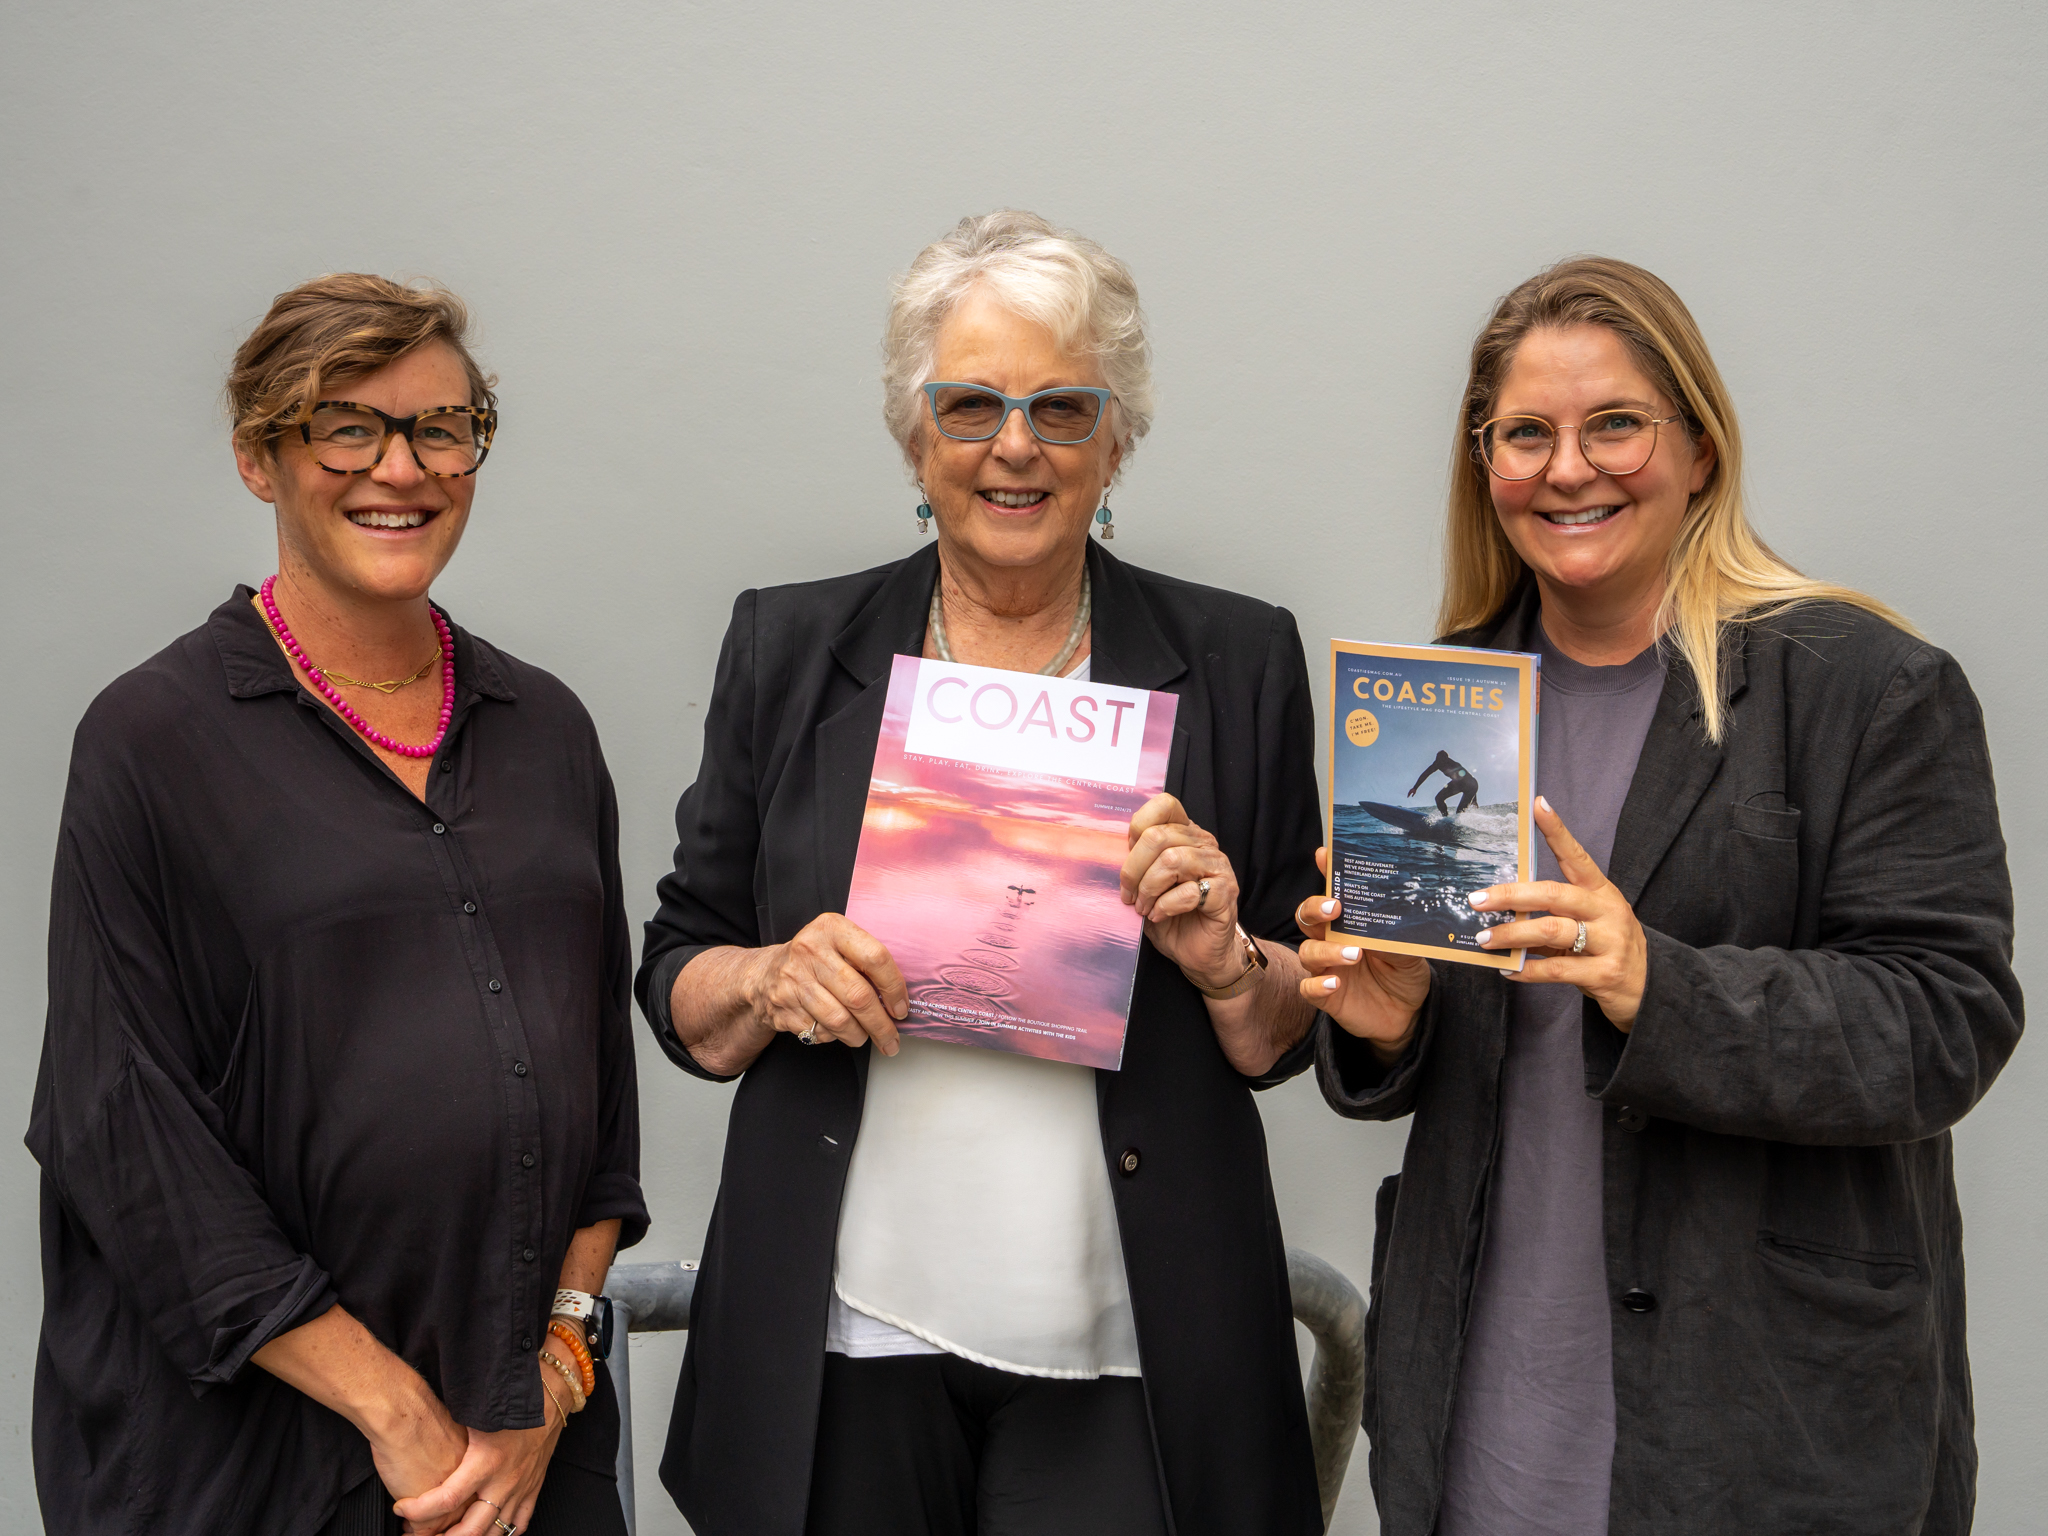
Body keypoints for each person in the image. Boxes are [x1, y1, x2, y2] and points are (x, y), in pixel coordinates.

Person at [1299, 257, 2021, 1535]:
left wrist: (1656, 984)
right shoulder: (1438, 700)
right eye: (1524, 433)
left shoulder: (1863, 687)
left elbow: (1944, 1021)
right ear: (1484, 463)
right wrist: (1385, 1023)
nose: (1567, 469)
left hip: (1760, 1414)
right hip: (1481, 1404)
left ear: (1698, 447)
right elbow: (1446, 1060)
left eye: (1615, 425)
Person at [636, 211, 1331, 1536]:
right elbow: (680, 979)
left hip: (1128, 1342)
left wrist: (1228, 962)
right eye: (971, 406)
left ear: (1116, 440)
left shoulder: (1237, 662)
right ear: (916, 436)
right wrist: (771, 978)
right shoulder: (789, 649)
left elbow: (1281, 1034)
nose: (1015, 445)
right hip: (842, 1334)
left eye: (1061, 407)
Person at [29, 274, 649, 1536]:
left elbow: (600, 1100)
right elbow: (121, 1126)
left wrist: (554, 1369)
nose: (400, 470)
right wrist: (396, 1414)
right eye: (346, 428)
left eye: (439, 428)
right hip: (251, 1461)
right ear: (258, 457)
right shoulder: (152, 740)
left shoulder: (546, 729)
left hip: (523, 1456)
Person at [1408, 749, 1479, 815]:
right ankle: (1445, 818)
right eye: (1438, 759)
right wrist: (1415, 787)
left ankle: (1457, 821)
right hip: (1458, 784)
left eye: (1443, 760)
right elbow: (1425, 774)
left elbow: (1470, 780)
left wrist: (1474, 799)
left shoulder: (1455, 765)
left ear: (1447, 759)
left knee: (1459, 812)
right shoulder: (1437, 764)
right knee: (1439, 798)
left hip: (1470, 786)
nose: (1441, 762)